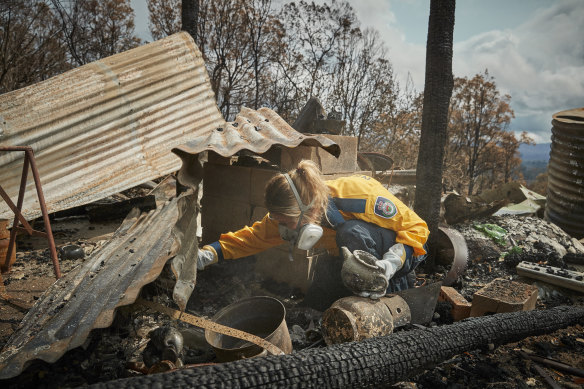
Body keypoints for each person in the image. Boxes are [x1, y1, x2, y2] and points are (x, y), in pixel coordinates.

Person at [196, 159, 429, 302]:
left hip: (399, 259)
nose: (284, 231)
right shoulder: (288, 215)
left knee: (350, 232)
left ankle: (374, 294)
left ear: (311, 208)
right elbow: (250, 238)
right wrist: (206, 255)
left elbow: (418, 229)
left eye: (287, 223)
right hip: (347, 259)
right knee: (315, 305)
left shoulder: (359, 195)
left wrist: (389, 265)